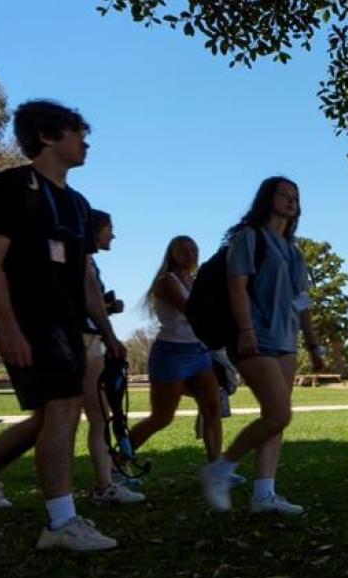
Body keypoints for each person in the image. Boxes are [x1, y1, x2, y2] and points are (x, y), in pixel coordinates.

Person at [0, 100, 124, 551]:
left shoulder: (78, 204)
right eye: (77, 132)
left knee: (52, 417)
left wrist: (107, 333)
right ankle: (60, 523)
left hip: (67, 324)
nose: (86, 141)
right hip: (28, 319)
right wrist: (7, 327)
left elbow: (85, 279)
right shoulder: (12, 186)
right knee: (62, 408)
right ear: (47, 136)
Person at [199, 176, 326, 515]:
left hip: (286, 340)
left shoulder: (293, 251)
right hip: (255, 336)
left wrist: (314, 344)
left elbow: (302, 301)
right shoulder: (249, 237)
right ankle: (221, 469)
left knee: (276, 419)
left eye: (295, 196)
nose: (291, 200)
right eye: (284, 195)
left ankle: (264, 494)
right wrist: (245, 330)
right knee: (279, 413)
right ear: (267, 199)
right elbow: (237, 285)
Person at [128, 236, 229, 482]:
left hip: (199, 353)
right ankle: (117, 461)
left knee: (212, 407)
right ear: (172, 254)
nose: (189, 254)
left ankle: (216, 470)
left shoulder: (195, 282)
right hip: (172, 354)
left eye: (193, 249)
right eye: (183, 250)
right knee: (162, 417)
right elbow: (192, 310)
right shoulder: (166, 281)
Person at [80, 210, 144, 504]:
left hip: (88, 339)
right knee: (97, 417)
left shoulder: (86, 261)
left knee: (99, 416)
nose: (113, 235)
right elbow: (84, 302)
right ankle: (105, 485)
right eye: (109, 228)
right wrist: (109, 334)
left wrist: (107, 309)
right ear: (96, 229)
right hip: (85, 341)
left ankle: (108, 479)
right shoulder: (82, 260)